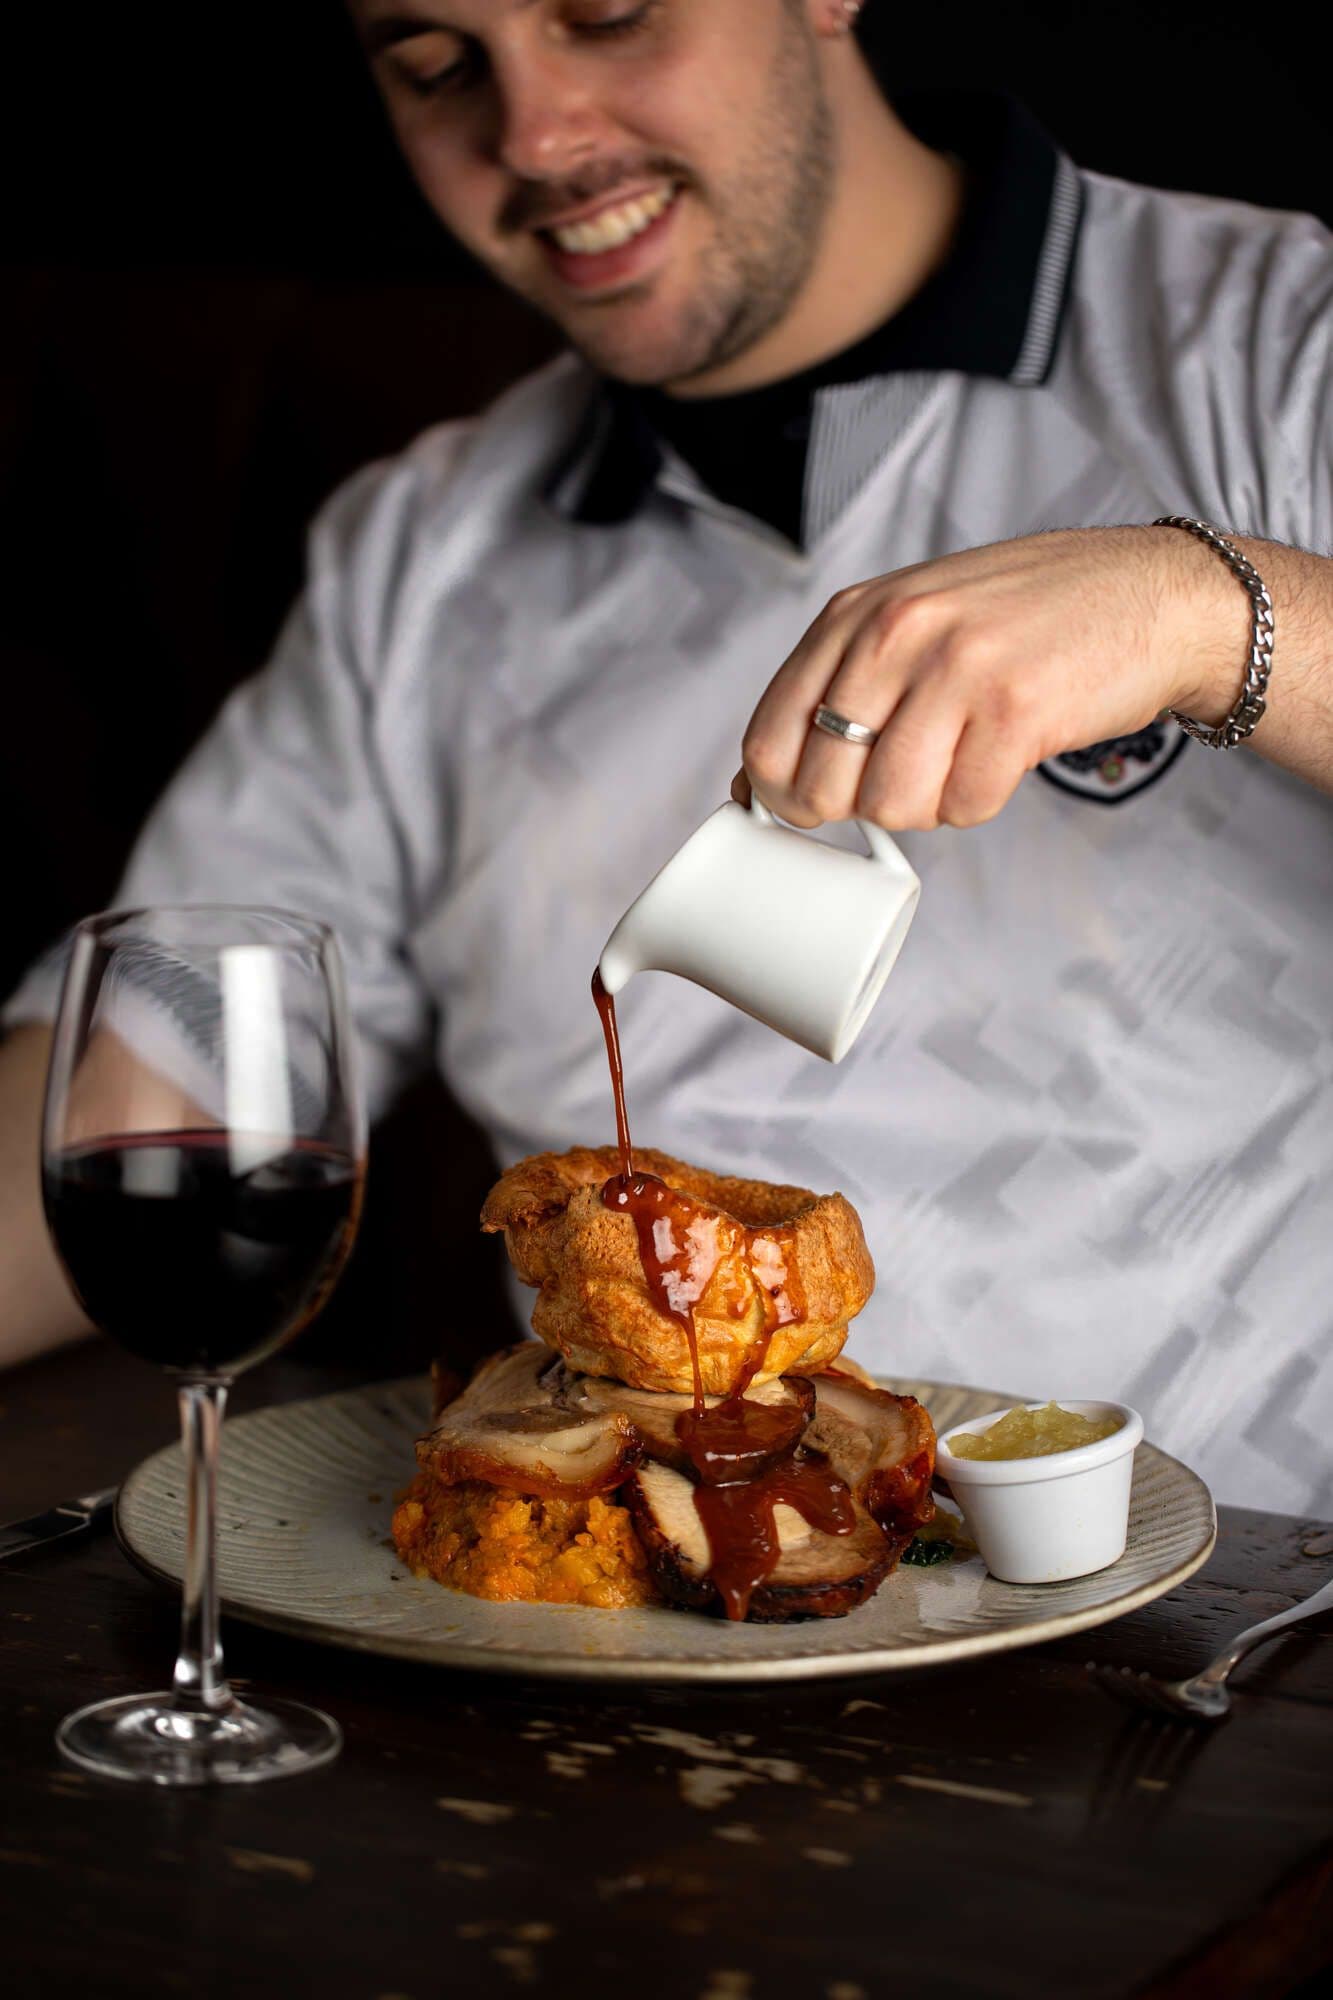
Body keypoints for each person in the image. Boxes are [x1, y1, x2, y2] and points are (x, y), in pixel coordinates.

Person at [2, 0, 1330, 1512]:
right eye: (436, 68)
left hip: (1250, 1625)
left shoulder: (1275, 344)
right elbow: (160, 1069)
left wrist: (1222, 614)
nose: (539, 135)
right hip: (656, 1637)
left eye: (606, 14)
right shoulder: (426, 552)